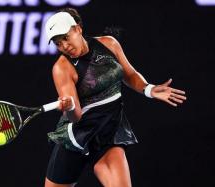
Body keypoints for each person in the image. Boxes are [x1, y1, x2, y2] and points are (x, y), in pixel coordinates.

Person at [44, 8, 186, 187]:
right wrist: (70, 107)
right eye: (57, 43)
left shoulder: (109, 44)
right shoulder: (62, 68)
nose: (64, 46)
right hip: (77, 137)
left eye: (65, 37)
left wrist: (149, 89)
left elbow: (130, 74)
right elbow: (76, 116)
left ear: (78, 29)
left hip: (108, 132)